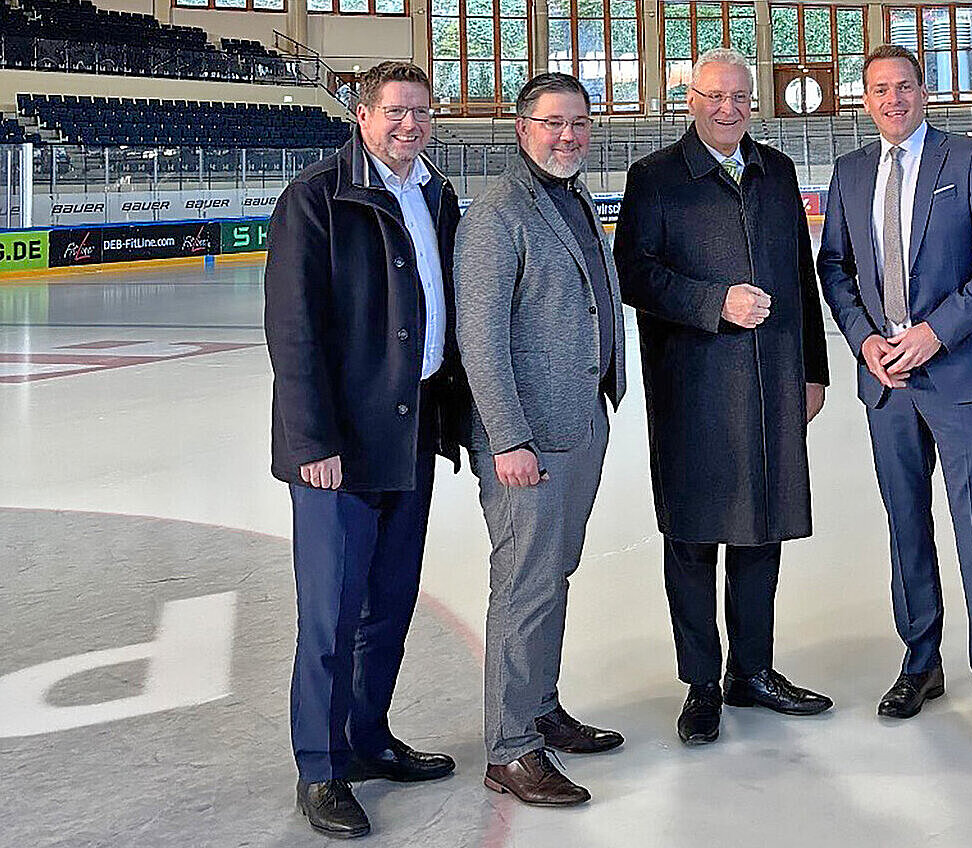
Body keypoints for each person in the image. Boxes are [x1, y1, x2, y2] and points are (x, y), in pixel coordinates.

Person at [264, 61, 471, 838]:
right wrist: (312, 440)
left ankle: (367, 737)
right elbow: (293, 329)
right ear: (361, 115)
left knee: (387, 603)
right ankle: (321, 769)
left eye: (421, 112)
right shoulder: (316, 196)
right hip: (339, 447)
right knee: (331, 614)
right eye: (395, 111)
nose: (410, 125)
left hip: (410, 430)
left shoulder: (436, 194)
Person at [614, 47, 833, 746]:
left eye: (739, 97)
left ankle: (752, 671)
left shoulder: (777, 171)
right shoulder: (654, 178)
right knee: (692, 537)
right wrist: (715, 303)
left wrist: (814, 369)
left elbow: (801, 277)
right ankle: (702, 682)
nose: (728, 108)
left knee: (762, 528)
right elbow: (635, 275)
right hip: (693, 387)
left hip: (771, 379)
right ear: (691, 101)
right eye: (714, 96)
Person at [815, 45, 972, 743]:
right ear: (865, 99)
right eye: (879, 89)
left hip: (957, 375)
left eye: (903, 86)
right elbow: (835, 267)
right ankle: (920, 662)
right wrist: (863, 340)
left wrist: (937, 332)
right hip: (887, 384)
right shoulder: (850, 172)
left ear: (923, 90)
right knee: (905, 525)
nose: (893, 99)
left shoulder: (969, 160)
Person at [454, 72, 629, 806]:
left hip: (579, 420)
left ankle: (539, 708)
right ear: (522, 128)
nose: (568, 136)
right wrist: (508, 439)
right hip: (526, 440)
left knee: (553, 575)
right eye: (553, 123)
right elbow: (480, 338)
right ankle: (510, 748)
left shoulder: (573, 194)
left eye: (578, 122)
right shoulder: (498, 214)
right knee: (524, 585)